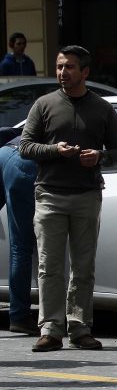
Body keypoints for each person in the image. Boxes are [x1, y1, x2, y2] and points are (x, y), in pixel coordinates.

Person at [19, 45, 117, 352]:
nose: (63, 73)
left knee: (83, 267)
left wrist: (100, 156)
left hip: (87, 195)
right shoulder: (43, 104)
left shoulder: (103, 108)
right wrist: (55, 150)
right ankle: (51, 329)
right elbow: (25, 146)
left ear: (85, 72)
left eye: (69, 67)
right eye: (59, 67)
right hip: (50, 195)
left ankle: (80, 327)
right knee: (49, 267)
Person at [0, 129, 38, 335]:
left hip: (6, 152)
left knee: (19, 247)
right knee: (21, 247)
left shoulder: (48, 103)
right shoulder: (93, 112)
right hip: (25, 162)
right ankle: (20, 316)